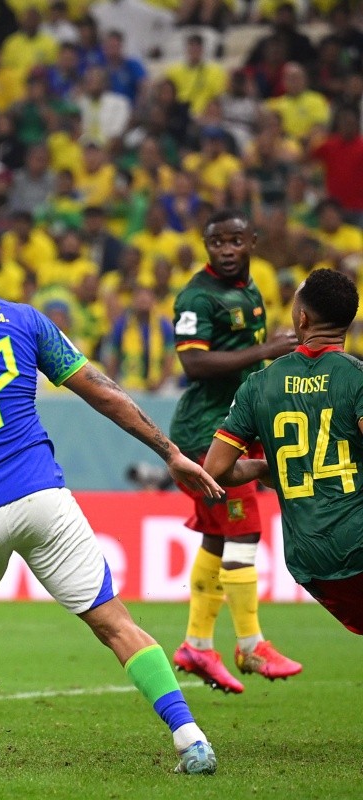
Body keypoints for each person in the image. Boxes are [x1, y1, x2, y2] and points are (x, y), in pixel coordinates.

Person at [0, 210, 222, 774]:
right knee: (114, 621)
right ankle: (190, 735)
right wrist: (169, 451)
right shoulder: (25, 320)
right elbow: (101, 392)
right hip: (42, 497)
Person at [169, 208, 302, 694]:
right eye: (216, 242)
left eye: (235, 241)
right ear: (207, 246)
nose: (226, 250)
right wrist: (265, 351)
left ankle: (197, 645)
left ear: (252, 242)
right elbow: (194, 364)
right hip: (205, 432)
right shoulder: (197, 297)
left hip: (234, 427)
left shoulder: (249, 291)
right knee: (245, 526)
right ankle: (249, 643)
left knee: (218, 539)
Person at [203, 269, 363, 637]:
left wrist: (261, 469)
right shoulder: (356, 378)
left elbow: (215, 469)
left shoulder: (260, 384)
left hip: (308, 559)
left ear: (302, 318)